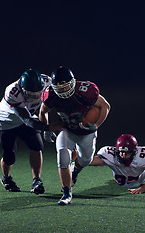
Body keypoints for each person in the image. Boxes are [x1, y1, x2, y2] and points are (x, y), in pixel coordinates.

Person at [39, 66, 111, 205]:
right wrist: (46, 129)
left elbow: (105, 106)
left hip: (86, 132)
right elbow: (43, 112)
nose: (64, 90)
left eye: (66, 86)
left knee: (85, 160)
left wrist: (96, 125)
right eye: (60, 87)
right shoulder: (51, 95)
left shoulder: (85, 91)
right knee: (62, 156)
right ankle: (66, 193)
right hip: (68, 130)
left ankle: (76, 170)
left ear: (73, 82)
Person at [0, 69, 62, 195]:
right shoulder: (13, 92)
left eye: (38, 93)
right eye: (32, 94)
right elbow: (27, 120)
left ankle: (37, 180)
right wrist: (48, 128)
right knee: (9, 156)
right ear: (23, 88)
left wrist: (46, 126)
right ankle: (6, 177)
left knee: (37, 145)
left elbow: (45, 106)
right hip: (6, 121)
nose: (36, 97)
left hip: (29, 117)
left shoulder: (47, 82)